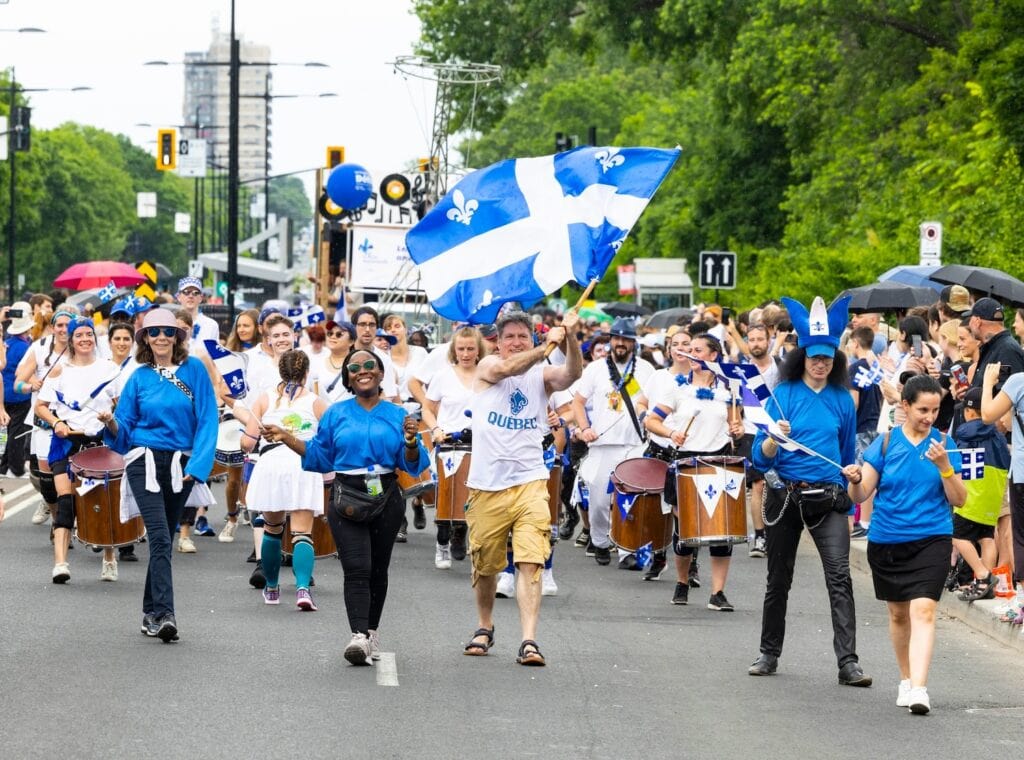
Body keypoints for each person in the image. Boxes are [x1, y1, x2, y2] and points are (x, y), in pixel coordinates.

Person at [263, 349, 429, 666]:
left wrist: (410, 440)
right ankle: (358, 636)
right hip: (346, 498)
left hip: (386, 497)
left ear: (381, 374)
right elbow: (319, 457)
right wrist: (285, 437)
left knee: (378, 569)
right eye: (355, 368)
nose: (363, 371)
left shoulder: (398, 415)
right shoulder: (336, 413)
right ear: (348, 378)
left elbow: (412, 464)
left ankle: (372, 630)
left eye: (370, 366)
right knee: (357, 568)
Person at [748, 295, 871, 687]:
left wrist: (853, 474)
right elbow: (759, 458)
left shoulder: (843, 400)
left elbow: (848, 449)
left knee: (839, 576)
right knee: (778, 578)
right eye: (814, 357)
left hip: (829, 497)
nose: (821, 363)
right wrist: (772, 439)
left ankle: (848, 662)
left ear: (835, 359)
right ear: (802, 357)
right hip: (786, 496)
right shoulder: (781, 396)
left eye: (827, 357)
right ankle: (769, 653)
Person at [462, 311, 581, 667]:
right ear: (497, 342)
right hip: (487, 485)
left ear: (530, 339)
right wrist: (547, 346)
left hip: (530, 480)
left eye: (522, 337)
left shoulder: (541, 375)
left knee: (531, 559)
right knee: (486, 565)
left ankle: (529, 639)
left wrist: (571, 338)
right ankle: (485, 626)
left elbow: (571, 374)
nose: (516, 342)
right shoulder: (487, 367)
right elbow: (507, 370)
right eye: (510, 336)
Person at [845, 375, 965, 714]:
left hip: (932, 537)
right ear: (906, 406)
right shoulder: (884, 444)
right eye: (923, 410)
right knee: (899, 615)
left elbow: (960, 500)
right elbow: (862, 493)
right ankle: (905, 678)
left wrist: (945, 468)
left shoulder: (945, 443)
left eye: (935, 409)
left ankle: (919, 689)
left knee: (923, 610)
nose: (929, 417)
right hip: (887, 539)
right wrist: (853, 481)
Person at [98, 308, 218, 643]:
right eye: (154, 332)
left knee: (164, 535)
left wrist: (198, 467)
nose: (161, 337)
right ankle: (165, 614)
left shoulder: (194, 369)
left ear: (177, 336)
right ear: (145, 339)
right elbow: (123, 436)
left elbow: (208, 419)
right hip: (143, 461)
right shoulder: (138, 377)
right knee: (161, 538)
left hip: (182, 464)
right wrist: (110, 422)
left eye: (168, 331)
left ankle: (150, 612)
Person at [644, 333, 745, 609]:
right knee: (686, 530)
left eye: (698, 350)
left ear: (713, 355)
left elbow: (736, 425)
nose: (691, 354)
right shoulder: (677, 389)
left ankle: (718, 593)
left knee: (721, 531)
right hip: (687, 462)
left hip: (720, 462)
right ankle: (682, 581)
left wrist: (738, 429)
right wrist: (671, 432)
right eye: (690, 350)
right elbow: (652, 421)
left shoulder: (729, 390)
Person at [36, 317, 121, 583]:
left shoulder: (109, 370)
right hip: (66, 443)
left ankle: (109, 558)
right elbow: (40, 405)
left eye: (89, 334)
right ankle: (60, 564)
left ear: (95, 338)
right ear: (70, 340)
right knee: (65, 501)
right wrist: (57, 422)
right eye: (79, 335)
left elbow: (123, 407)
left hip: (99, 443)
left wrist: (110, 418)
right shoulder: (60, 371)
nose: (85, 339)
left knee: (103, 503)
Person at [243, 350, 329, 610]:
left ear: (279, 372)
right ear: (306, 374)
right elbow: (328, 442)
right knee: (303, 532)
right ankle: (303, 589)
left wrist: (245, 432)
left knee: (272, 528)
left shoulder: (263, 400)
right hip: (303, 465)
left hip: (271, 465)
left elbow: (247, 443)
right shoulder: (318, 403)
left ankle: (271, 588)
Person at [570, 317, 655, 568]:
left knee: (630, 501)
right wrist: (584, 428)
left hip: (635, 444)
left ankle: (626, 550)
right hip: (602, 444)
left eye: (625, 339)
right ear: (610, 341)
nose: (620, 343)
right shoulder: (595, 369)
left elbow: (654, 402)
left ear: (632, 343)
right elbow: (577, 402)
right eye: (616, 338)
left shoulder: (646, 370)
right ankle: (599, 541)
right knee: (597, 501)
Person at [421, 327, 482, 569]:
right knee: (446, 496)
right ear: (454, 350)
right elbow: (427, 408)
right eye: (461, 349)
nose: (466, 354)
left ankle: (461, 532)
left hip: (478, 444)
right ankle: (442, 540)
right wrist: (435, 429)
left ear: (479, 350)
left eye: (470, 349)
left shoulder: (487, 374)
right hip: (448, 444)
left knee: (471, 495)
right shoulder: (443, 376)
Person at [15, 306, 76, 528]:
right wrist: (31, 385)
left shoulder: (83, 346)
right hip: (43, 423)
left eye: (68, 325)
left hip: (72, 423)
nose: (63, 329)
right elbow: (18, 383)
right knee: (48, 482)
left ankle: (66, 521)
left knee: (71, 476)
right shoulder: (39, 348)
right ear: (52, 328)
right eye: (59, 325)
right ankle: (55, 517)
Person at [950, 387, 1009, 601]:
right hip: (993, 497)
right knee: (986, 538)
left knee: (957, 535)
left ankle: (983, 576)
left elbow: (961, 468)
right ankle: (984, 583)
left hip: (972, 497)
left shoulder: (967, 434)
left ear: (969, 411)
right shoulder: (998, 436)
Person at [980, 360, 1024, 590]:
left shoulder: (1018, 382)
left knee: (1021, 537)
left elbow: (990, 416)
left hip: (1022, 473)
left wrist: (989, 384)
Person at [2, 301, 35, 477]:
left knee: (5, 432)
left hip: (4, 394)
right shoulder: (26, 347)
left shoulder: (7, 343)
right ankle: (16, 467)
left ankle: (3, 464)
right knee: (16, 432)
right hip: (18, 395)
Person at [175, 276, 221, 353]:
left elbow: (215, 355)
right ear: (179, 297)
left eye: (195, 293)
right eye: (186, 292)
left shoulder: (211, 325)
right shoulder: (171, 322)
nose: (191, 296)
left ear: (201, 298)